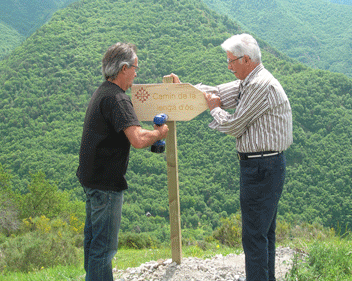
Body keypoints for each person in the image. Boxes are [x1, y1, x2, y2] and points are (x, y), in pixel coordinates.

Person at [166, 33, 292, 281]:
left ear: (246, 59)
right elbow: (218, 92)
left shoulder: (259, 86)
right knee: (264, 233)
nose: (229, 66)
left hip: (261, 167)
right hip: (267, 165)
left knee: (255, 236)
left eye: (232, 61)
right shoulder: (250, 81)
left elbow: (234, 125)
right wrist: (185, 90)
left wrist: (215, 110)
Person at [76, 42, 169, 281]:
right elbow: (138, 139)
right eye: (135, 68)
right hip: (106, 184)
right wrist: (159, 134)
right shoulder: (118, 99)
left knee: (93, 242)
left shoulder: (102, 92)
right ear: (124, 68)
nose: (137, 74)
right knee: (104, 248)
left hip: (90, 179)